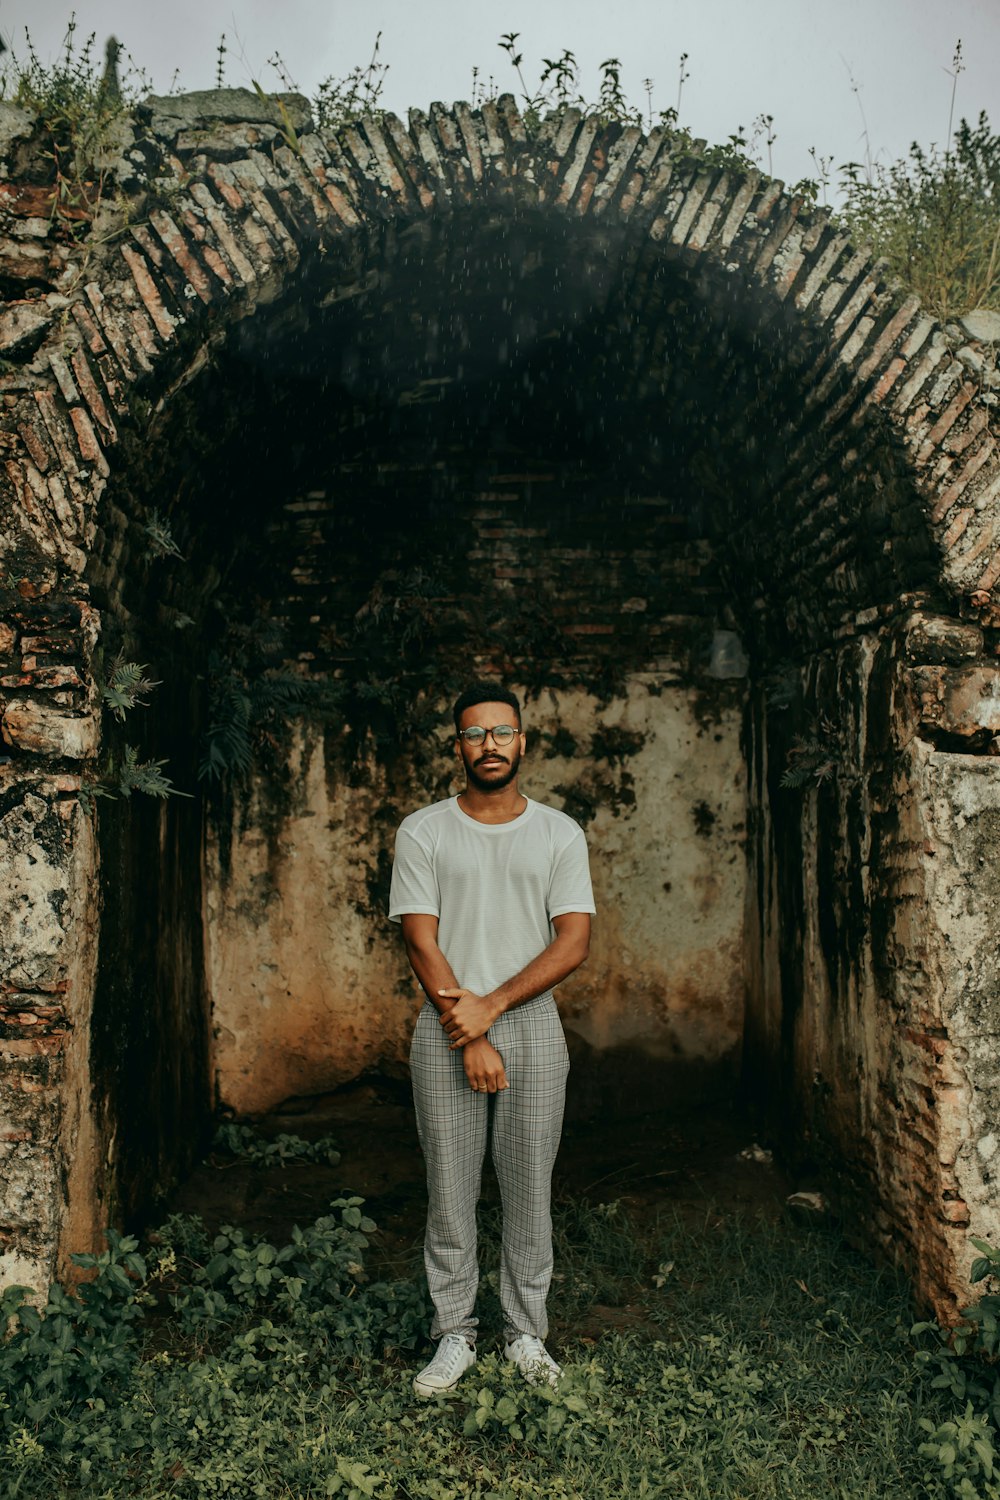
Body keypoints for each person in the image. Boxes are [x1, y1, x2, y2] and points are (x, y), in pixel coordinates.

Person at [388, 681, 595, 1398]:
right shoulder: (424, 831)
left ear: (523, 742)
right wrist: (468, 1030)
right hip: (445, 1023)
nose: (490, 746)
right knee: (450, 1191)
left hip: (532, 1023)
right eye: (475, 735)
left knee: (528, 1188)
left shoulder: (558, 833)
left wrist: (496, 1009)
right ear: (458, 747)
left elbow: (573, 943)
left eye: (502, 733)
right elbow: (420, 939)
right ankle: (454, 1335)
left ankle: (525, 1333)